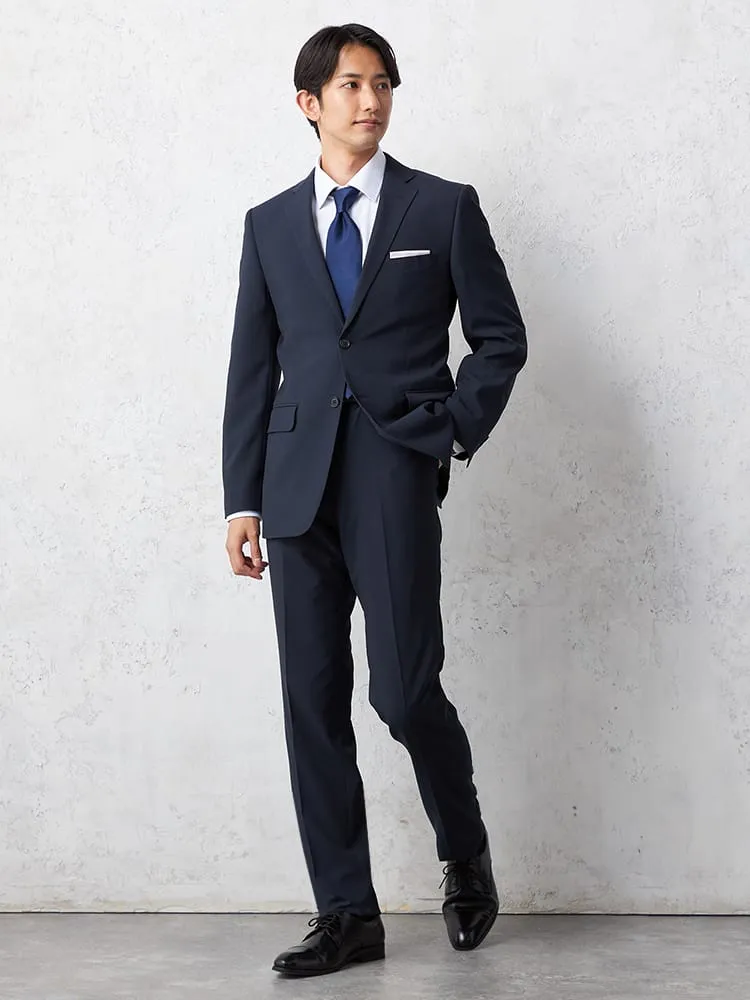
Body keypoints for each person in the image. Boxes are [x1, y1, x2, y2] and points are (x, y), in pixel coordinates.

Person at [222, 22, 527, 979]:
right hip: (293, 490)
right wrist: (239, 501)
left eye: (383, 83)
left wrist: (451, 428)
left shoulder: (443, 207)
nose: (372, 100)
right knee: (310, 703)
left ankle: (464, 851)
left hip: (394, 473)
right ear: (309, 102)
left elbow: (500, 338)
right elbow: (251, 368)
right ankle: (347, 915)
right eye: (352, 84)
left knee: (402, 690)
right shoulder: (270, 223)